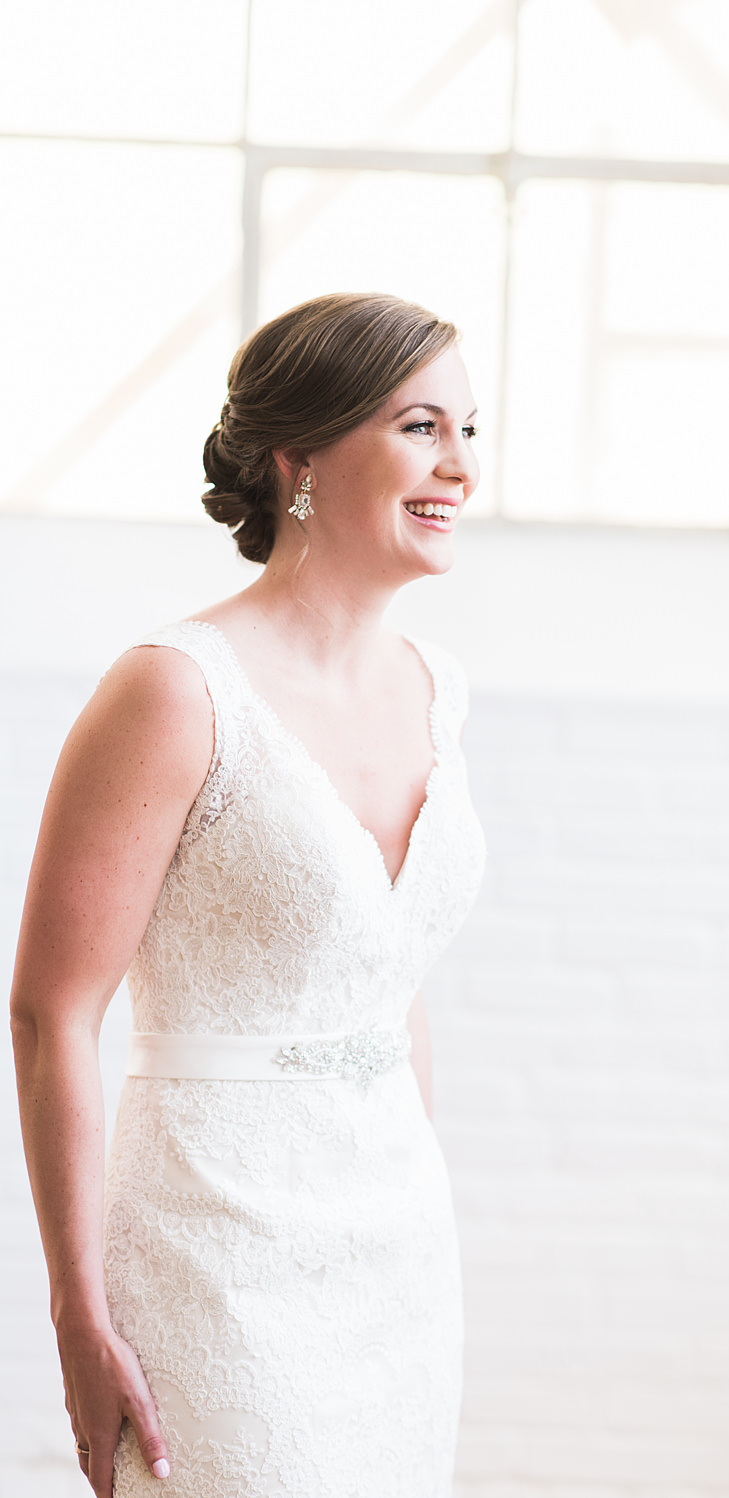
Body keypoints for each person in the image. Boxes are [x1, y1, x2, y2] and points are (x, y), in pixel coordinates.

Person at [10, 292, 487, 1498]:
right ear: (302, 461)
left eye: (470, 432)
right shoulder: (175, 691)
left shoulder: (439, 688)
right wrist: (78, 1307)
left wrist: (412, 1179)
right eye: (422, 426)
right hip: (215, 1245)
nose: (460, 466)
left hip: (396, 1245)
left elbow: (391, 977)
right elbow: (51, 1007)